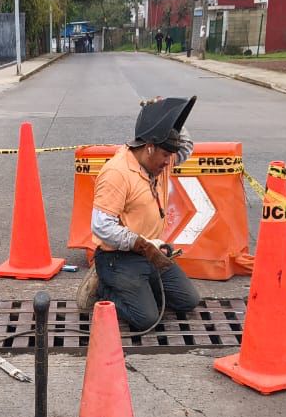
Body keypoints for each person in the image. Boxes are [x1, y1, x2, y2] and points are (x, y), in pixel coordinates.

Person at [76, 96, 202, 332]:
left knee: (188, 300)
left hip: (151, 252)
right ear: (149, 147)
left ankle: (141, 288)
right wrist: (142, 244)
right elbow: (102, 226)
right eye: (166, 155)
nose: (170, 161)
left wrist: (173, 121)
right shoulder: (117, 173)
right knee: (146, 319)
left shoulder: (158, 159)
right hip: (118, 257)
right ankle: (103, 287)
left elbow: (185, 147)